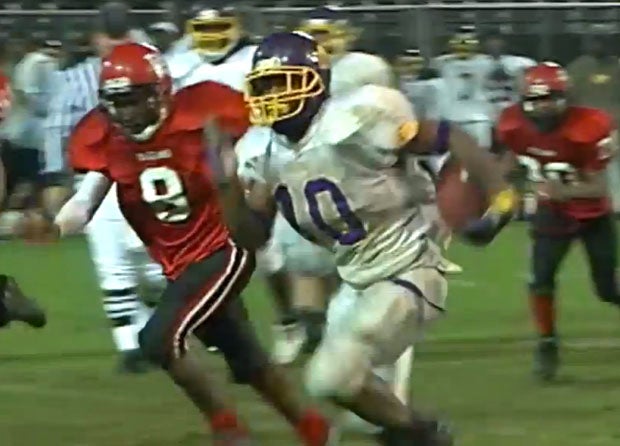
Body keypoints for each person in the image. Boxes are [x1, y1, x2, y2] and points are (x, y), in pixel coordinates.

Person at [20, 42, 330, 445]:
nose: (122, 112)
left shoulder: (206, 109)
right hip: (179, 263)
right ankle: (315, 429)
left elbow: (263, 141)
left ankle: (228, 430)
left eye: (131, 100)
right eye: (113, 102)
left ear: (159, 92)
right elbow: (87, 197)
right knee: (247, 361)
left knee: (157, 339)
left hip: (224, 247)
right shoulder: (104, 136)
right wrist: (57, 227)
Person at [234, 31, 517, 445]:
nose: (273, 96)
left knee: (329, 377)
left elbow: (448, 136)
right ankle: (419, 434)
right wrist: (225, 184)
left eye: (284, 82)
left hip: (409, 265)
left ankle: (418, 434)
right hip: (355, 278)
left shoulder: (358, 119)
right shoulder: (260, 150)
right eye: (265, 86)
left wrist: (500, 196)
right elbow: (251, 235)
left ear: (316, 81)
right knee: (345, 391)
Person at [43, 1, 164, 373]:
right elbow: (57, 129)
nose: (116, 40)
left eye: (121, 32)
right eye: (110, 34)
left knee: (159, 267)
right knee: (113, 266)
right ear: (96, 38)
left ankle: (164, 331)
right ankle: (132, 347)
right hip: (98, 178)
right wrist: (53, 179)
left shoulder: (155, 68)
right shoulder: (76, 77)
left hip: (151, 171)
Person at [496, 62, 619, 381]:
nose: (543, 106)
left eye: (550, 98)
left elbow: (597, 187)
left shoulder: (589, 126)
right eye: (535, 99)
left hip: (592, 214)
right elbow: (510, 160)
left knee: (607, 289)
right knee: (540, 280)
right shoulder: (512, 124)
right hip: (552, 214)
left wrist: (559, 191)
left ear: (566, 97)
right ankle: (547, 343)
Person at [567, 31, 620, 214]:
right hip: (583, 124)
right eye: (595, 41)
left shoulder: (618, 66)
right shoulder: (576, 68)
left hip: (613, 124)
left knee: (612, 163)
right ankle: (582, 201)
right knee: (583, 165)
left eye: (602, 42)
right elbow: (569, 97)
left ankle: (616, 205)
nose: (598, 46)